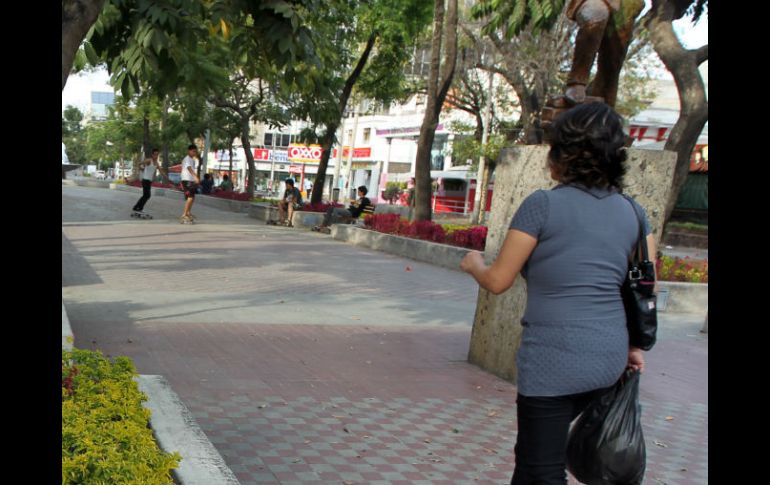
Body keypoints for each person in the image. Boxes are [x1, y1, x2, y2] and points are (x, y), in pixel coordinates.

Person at [460, 102, 654, 485]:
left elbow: (499, 281)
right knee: (530, 463)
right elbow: (644, 289)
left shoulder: (542, 206)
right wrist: (634, 347)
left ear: (563, 154)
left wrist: (473, 264)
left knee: (542, 469)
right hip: (608, 358)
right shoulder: (634, 213)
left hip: (554, 360)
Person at [563, 0, 644, 107]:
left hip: (626, 5)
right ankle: (577, 80)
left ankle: (604, 103)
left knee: (614, 56)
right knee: (595, 17)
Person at [132, 148, 163, 214]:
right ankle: (138, 208)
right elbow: (139, 164)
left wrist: (168, 179)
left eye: (157, 155)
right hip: (145, 180)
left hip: (149, 181)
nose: (156, 156)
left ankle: (137, 207)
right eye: (155, 154)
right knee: (147, 195)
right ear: (152, 155)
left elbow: (161, 172)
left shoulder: (157, 163)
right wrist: (142, 169)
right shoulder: (149, 160)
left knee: (146, 195)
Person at [179, 144, 201, 223]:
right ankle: (184, 215)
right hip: (186, 180)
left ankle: (188, 213)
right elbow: (189, 168)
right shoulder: (187, 159)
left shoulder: (193, 160)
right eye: (193, 151)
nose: (194, 153)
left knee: (192, 197)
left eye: (195, 151)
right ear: (189, 151)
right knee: (190, 197)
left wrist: (194, 179)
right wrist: (195, 177)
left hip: (191, 180)